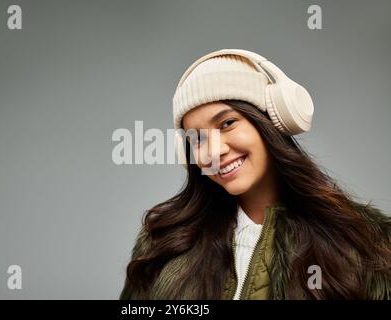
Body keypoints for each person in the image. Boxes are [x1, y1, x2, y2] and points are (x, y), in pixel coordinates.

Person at [120, 49, 391, 299]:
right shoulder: (164, 242)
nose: (213, 151)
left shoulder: (364, 240)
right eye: (198, 139)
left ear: (271, 120)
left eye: (227, 123)